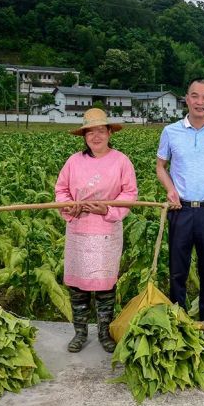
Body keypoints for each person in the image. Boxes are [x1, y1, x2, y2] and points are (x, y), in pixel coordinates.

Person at [55, 108, 138, 353]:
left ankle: (104, 332)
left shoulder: (121, 161)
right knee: (78, 286)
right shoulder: (73, 161)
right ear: (84, 136)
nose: (95, 137)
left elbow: (130, 193)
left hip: (106, 231)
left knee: (104, 285)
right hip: (79, 229)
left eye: (101, 131)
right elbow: (61, 190)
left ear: (109, 132)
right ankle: (80, 332)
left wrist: (107, 209)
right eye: (90, 132)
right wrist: (70, 206)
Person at [156, 78, 204, 336]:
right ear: (186, 99)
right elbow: (160, 166)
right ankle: (179, 325)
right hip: (182, 210)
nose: (200, 102)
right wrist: (170, 189)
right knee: (178, 269)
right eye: (195, 96)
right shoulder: (171, 131)